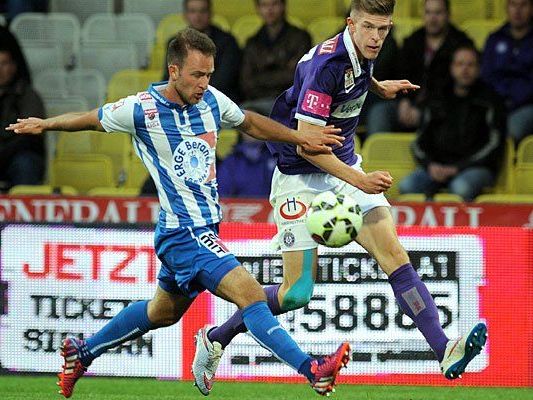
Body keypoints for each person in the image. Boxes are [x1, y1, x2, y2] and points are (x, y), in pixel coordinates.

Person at [7, 29, 350, 398]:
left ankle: (82, 352)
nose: (205, 83)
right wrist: (46, 124)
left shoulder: (212, 101)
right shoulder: (141, 109)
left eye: (209, 75)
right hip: (185, 234)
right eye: (197, 75)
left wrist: (302, 138)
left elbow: (249, 122)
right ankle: (312, 369)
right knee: (251, 296)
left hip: (196, 232)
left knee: (162, 314)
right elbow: (90, 118)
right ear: (174, 71)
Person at [193, 0, 488, 390]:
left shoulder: (362, 52)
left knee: (395, 256)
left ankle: (444, 349)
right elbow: (307, 146)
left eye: (384, 29)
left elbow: (357, 79)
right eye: (369, 28)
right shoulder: (325, 68)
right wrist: (359, 180)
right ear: (351, 23)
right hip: (300, 177)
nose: (377, 37)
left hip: (344, 168)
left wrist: (379, 87)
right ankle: (215, 338)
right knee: (296, 293)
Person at [399, 45, 506, 201]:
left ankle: (460, 227)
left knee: (460, 188)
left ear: (478, 68)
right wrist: (430, 165)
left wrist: (458, 168)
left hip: (475, 168)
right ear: (451, 68)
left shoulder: (490, 100)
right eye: (460, 64)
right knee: (408, 186)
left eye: (470, 65)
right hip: (437, 167)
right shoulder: (438, 99)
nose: (465, 69)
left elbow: (494, 145)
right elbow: (419, 142)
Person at [366, 0, 473, 135]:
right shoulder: (413, 41)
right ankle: (379, 155)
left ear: (448, 15)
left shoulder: (460, 44)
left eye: (438, 13)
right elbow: (400, 73)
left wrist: (425, 108)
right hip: (409, 103)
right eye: (428, 12)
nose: (433, 18)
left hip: (443, 106)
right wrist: (404, 101)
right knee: (379, 113)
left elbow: (457, 86)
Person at [240, 0, 312, 116]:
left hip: (291, 102)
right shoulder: (252, 42)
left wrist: (261, 78)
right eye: (264, 5)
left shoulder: (301, 38)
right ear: (258, 8)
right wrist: (279, 75)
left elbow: (297, 77)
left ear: (283, 6)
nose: (269, 9)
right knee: (246, 115)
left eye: (274, 4)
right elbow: (246, 82)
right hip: (258, 102)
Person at [162, 0, 241, 102]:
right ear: (185, 15)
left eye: (203, 11)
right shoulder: (175, 43)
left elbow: (225, 81)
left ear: (211, 13)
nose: (198, 16)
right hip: (182, 101)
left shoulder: (228, 42)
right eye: (193, 11)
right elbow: (168, 78)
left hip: (219, 101)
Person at [481, 0, 533, 144]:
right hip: (496, 103)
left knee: (510, 130)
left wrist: (513, 99)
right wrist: (499, 100)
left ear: (531, 8)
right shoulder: (494, 38)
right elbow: (486, 75)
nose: (517, 10)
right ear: (507, 8)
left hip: (526, 105)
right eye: (513, 5)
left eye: (523, 5)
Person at [0, 43, 45, 190]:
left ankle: (26, 208)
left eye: (4, 64)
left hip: (17, 156)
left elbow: (29, 136)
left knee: (25, 164)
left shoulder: (27, 95)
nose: (0, 69)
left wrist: (3, 153)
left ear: (13, 67)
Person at [217, 133, 276, 198]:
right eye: (248, 126)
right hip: (238, 207)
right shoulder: (232, 161)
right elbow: (222, 196)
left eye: (257, 126)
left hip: (274, 206)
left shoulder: (276, 158)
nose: (252, 131)